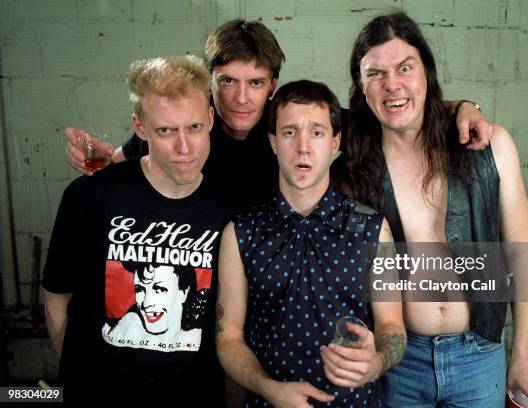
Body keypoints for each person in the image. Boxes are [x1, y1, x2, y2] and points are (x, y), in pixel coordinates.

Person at [345, 12, 528, 408]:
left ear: (426, 71)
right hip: (398, 362)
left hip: (479, 354)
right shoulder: (353, 167)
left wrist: (524, 351)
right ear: (360, 85)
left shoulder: (490, 146)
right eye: (375, 73)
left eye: (405, 68)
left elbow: (520, 253)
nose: (392, 85)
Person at [64, 19, 494, 210]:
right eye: (227, 81)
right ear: (209, 82)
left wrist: (460, 106)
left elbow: (388, 112)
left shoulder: (288, 124)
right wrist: (98, 162)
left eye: (255, 83)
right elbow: (126, 155)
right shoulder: (188, 127)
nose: (240, 98)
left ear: (273, 84)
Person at [43, 55, 233, 406]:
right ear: (140, 127)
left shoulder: (229, 208)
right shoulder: (90, 196)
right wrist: (81, 379)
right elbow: (56, 299)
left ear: (209, 119)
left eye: (193, 127)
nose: (184, 147)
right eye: (165, 131)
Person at [215, 80, 406, 407]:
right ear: (273, 142)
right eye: (290, 132)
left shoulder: (374, 228)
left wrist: (376, 363)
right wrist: (270, 389)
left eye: (316, 133)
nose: (303, 147)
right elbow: (228, 337)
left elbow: (393, 325)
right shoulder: (241, 231)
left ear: (335, 142)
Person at [102, 262, 201, 350]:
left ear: (184, 292)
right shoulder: (121, 328)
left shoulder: (194, 333)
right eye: (139, 289)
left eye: (160, 290)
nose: (146, 303)